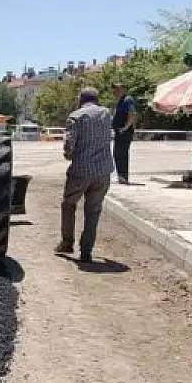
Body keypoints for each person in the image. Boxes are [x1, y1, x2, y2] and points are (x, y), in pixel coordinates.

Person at [56, 86, 115, 263]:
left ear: (81, 99)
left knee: (68, 204)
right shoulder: (107, 114)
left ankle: (67, 242)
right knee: (93, 210)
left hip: (81, 171)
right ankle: (86, 251)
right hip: (103, 170)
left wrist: (69, 155)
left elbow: (69, 145)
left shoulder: (76, 116)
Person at [111, 82, 137, 184]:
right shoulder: (120, 101)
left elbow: (133, 114)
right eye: (114, 90)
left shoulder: (128, 99)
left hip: (124, 132)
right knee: (117, 153)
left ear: (122, 89)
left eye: (116, 90)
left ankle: (123, 177)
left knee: (122, 153)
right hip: (119, 132)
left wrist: (125, 128)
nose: (114, 92)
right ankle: (120, 176)